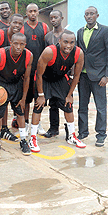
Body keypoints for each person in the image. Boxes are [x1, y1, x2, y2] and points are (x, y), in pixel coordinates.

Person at [29, 30, 86, 152]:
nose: (68, 46)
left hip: (59, 79)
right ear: (59, 41)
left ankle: (71, 136)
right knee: (38, 106)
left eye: (71, 43)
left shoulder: (78, 53)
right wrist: (40, 95)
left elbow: (76, 76)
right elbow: (39, 74)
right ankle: (32, 137)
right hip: (44, 79)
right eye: (65, 42)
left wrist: (70, 95)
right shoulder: (50, 52)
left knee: (68, 105)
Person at [0, 33, 33, 159]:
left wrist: (23, 98)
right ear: (11, 43)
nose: (18, 47)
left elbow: (27, 78)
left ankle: (23, 140)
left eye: (21, 44)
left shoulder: (28, 55)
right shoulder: (0, 54)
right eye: (16, 43)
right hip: (1, 84)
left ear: (25, 45)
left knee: (20, 113)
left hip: (16, 84)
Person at [76, 6, 108, 147]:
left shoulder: (105, 31)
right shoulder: (80, 32)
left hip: (99, 77)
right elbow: (78, 53)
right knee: (82, 106)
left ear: (97, 15)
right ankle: (83, 132)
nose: (89, 16)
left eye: (92, 14)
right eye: (86, 14)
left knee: (100, 107)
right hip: (83, 77)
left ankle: (101, 134)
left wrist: (107, 75)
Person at [0, 14, 24, 145]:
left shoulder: (20, 38)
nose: (17, 26)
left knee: (4, 102)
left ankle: (4, 129)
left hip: (9, 75)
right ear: (10, 23)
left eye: (20, 24)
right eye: (15, 23)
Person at [16, 3, 48, 136]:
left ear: (38, 12)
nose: (33, 13)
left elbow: (47, 47)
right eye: (30, 11)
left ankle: (38, 123)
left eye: (35, 11)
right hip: (27, 68)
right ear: (26, 13)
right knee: (27, 99)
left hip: (40, 69)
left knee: (38, 97)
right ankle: (27, 122)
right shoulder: (22, 28)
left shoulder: (44, 27)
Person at [43, 10, 65, 138]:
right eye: (51, 18)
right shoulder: (48, 36)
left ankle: (70, 131)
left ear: (61, 18)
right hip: (51, 75)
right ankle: (53, 128)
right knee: (53, 104)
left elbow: (74, 54)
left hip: (64, 74)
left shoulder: (68, 35)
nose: (53, 20)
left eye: (56, 17)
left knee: (67, 104)